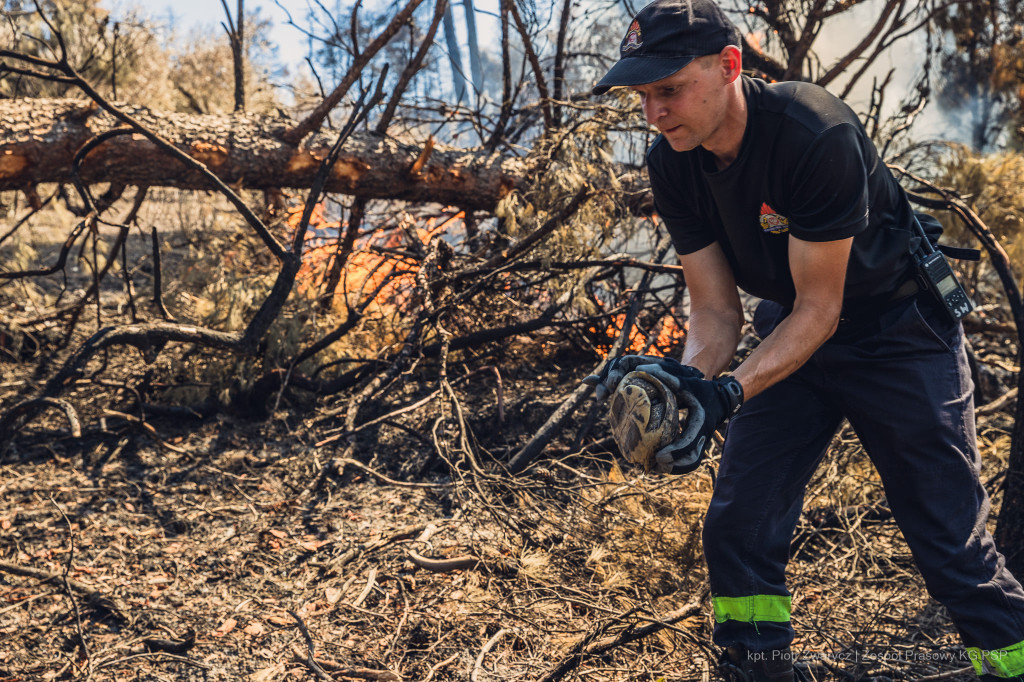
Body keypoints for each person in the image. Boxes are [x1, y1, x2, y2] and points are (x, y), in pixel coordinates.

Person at [589, 0, 1024, 680]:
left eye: (668, 89)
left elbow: (823, 309)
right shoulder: (673, 162)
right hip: (790, 335)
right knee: (738, 527)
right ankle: (756, 671)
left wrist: (728, 391)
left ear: (728, 65)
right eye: (644, 95)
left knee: (951, 548)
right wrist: (686, 387)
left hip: (898, 335)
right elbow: (715, 312)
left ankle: (1012, 665)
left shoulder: (811, 132)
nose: (654, 112)